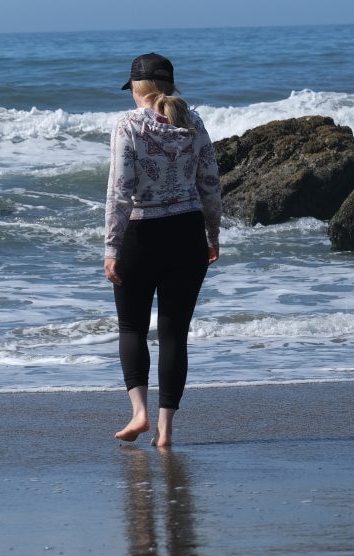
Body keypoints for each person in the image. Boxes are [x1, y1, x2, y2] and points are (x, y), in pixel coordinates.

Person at [104, 53, 222, 449]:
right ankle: (166, 431)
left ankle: (138, 413)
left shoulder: (128, 125)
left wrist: (111, 246)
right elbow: (210, 184)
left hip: (141, 235)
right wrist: (212, 235)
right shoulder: (194, 122)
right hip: (187, 235)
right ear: (168, 87)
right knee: (175, 335)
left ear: (136, 89)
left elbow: (120, 192)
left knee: (132, 327)